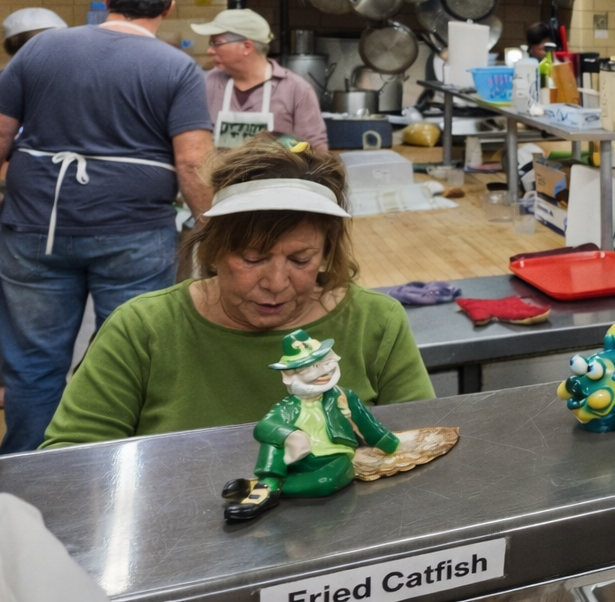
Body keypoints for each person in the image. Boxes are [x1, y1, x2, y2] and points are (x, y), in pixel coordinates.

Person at [41, 136, 434, 448]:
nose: (277, 283)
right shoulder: (143, 329)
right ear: (212, 250)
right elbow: (70, 460)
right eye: (252, 258)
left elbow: (420, 444)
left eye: (300, 260)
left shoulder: (375, 322)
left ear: (327, 253)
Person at [0, 0, 214, 454]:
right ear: (168, 8)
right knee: (127, 358)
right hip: (135, 234)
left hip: (35, 228)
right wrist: (213, 226)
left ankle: (29, 482)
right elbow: (192, 163)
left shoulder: (42, 47)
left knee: (33, 366)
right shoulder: (176, 67)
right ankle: (115, 470)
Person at [0, 8, 68, 411]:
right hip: (60, 202)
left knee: (4, 294)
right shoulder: (72, 82)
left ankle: (3, 383)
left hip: (11, 198)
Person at [221, 329, 400, 520]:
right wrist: (290, 435)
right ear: (289, 375)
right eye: (311, 368)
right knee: (274, 439)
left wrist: (391, 444)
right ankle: (268, 482)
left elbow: (367, 423)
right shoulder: (287, 406)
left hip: (335, 456)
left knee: (326, 482)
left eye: (326, 362)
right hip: (298, 459)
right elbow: (263, 427)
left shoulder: (343, 397)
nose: (323, 371)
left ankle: (265, 487)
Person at [193, 8, 328, 152]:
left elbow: (314, 150)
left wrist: (284, 146)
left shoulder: (296, 90)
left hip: (275, 174)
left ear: (246, 47)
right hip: (218, 174)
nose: (210, 51)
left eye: (216, 43)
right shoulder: (206, 84)